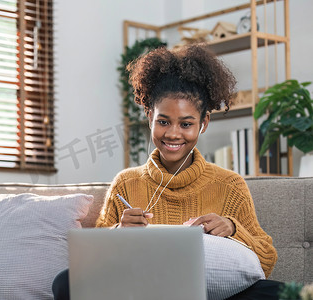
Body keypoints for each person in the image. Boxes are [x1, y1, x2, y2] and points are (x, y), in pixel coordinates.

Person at [53, 44, 282, 300]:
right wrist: (118, 231)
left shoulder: (230, 185)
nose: (173, 133)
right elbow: (93, 261)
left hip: (209, 294)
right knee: (66, 282)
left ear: (203, 123)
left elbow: (266, 260)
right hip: (141, 291)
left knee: (279, 292)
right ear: (150, 117)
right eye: (163, 122)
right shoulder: (126, 183)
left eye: (186, 124)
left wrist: (232, 228)